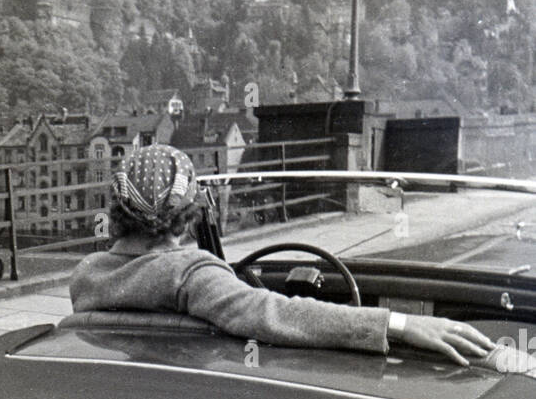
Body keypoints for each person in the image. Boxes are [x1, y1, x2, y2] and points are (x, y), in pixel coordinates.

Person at [69, 144, 494, 366]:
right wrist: (399, 322)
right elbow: (273, 312)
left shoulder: (87, 276)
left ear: (117, 216)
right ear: (187, 219)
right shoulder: (190, 273)